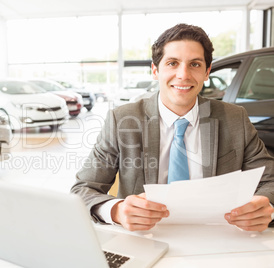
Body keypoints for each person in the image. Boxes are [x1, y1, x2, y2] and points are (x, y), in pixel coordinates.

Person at [71, 23, 274, 232]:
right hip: (144, 238)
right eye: (172, 63)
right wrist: (116, 211)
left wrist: (267, 206)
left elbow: (270, 179)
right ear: (155, 70)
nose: (183, 75)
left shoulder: (235, 118)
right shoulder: (123, 120)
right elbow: (82, 190)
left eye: (195, 64)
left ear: (207, 72)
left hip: (217, 237)